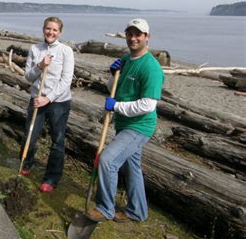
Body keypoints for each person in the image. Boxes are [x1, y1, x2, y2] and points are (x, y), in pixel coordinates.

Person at [87, 18, 164, 222]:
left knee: (107, 160)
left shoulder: (151, 68)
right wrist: (113, 75)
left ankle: (105, 209)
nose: (133, 38)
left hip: (139, 127)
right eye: (130, 34)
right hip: (124, 124)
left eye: (138, 34)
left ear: (147, 37)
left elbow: (148, 105)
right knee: (132, 168)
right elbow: (113, 88)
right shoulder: (127, 60)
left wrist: (117, 107)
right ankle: (137, 211)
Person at [19, 17, 75, 193]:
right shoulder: (35, 49)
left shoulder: (66, 51)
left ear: (60, 32)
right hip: (36, 99)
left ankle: (51, 178)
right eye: (48, 29)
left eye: (55, 30)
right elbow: (28, 76)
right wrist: (40, 65)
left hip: (59, 102)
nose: (51, 32)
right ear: (43, 29)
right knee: (30, 135)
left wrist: (48, 98)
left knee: (57, 140)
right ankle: (26, 163)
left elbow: (66, 81)